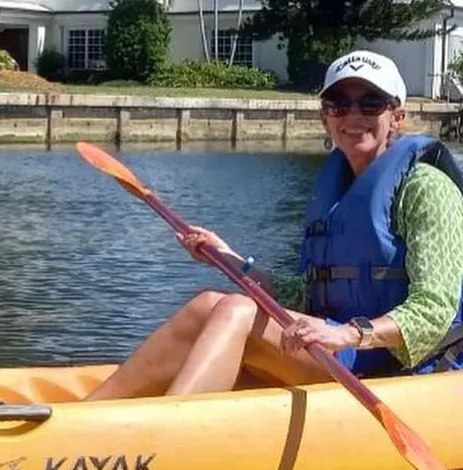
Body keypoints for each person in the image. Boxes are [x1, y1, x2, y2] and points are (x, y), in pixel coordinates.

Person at [86, 49, 463, 401]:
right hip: (334, 345)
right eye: (338, 104)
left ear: (396, 115)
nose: (353, 115)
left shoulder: (427, 189)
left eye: (370, 103)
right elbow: (309, 293)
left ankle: (161, 441)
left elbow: (434, 310)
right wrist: (231, 259)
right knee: (207, 305)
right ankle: (87, 415)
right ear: (324, 117)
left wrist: (346, 334)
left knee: (237, 312)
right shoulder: (338, 192)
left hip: (394, 364)